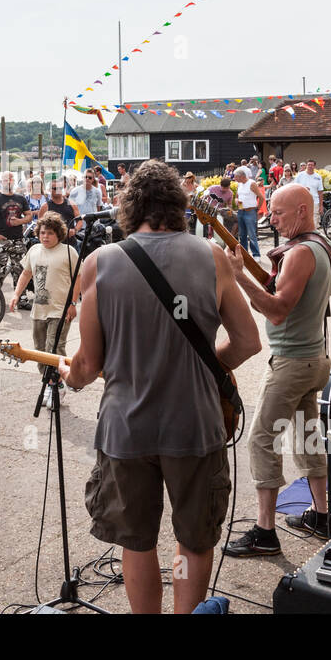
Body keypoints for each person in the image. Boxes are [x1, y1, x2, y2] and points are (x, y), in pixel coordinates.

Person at [58, 160, 261, 613]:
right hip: (194, 425)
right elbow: (248, 341)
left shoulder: (99, 263)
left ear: (129, 208)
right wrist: (208, 365)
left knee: (136, 541)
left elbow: (87, 366)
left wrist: (68, 376)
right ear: (179, 204)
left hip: (126, 429)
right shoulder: (210, 256)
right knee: (192, 540)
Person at [222, 183, 331, 557]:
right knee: (308, 437)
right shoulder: (323, 246)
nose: (270, 218)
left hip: (292, 363)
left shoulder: (300, 252)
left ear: (302, 211)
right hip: (316, 360)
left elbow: (276, 310)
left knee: (261, 439)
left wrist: (238, 275)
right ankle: (321, 515)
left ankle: (264, 532)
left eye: (278, 212)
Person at [10, 212, 79, 356]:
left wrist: (73, 304)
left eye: (50, 233)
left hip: (60, 310)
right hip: (39, 310)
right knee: (39, 350)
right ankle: (46, 378)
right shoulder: (34, 250)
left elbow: (78, 278)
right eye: (42, 233)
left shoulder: (69, 252)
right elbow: (26, 273)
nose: (45, 236)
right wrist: (16, 294)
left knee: (54, 348)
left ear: (59, 234)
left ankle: (56, 378)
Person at [0, 173, 34, 287]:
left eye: (10, 179)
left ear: (13, 181)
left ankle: (22, 300)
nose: (8, 181)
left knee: (20, 272)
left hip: (18, 240)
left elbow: (29, 215)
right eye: (5, 180)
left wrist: (20, 221)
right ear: (2, 181)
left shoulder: (20, 198)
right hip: (1, 241)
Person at [232, 168, 264, 258]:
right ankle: (244, 255)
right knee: (242, 234)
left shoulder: (252, 183)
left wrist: (257, 209)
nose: (234, 178)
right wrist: (236, 200)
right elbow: (236, 196)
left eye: (236, 177)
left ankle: (256, 255)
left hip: (250, 211)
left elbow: (261, 197)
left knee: (252, 234)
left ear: (242, 176)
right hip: (241, 211)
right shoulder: (239, 184)